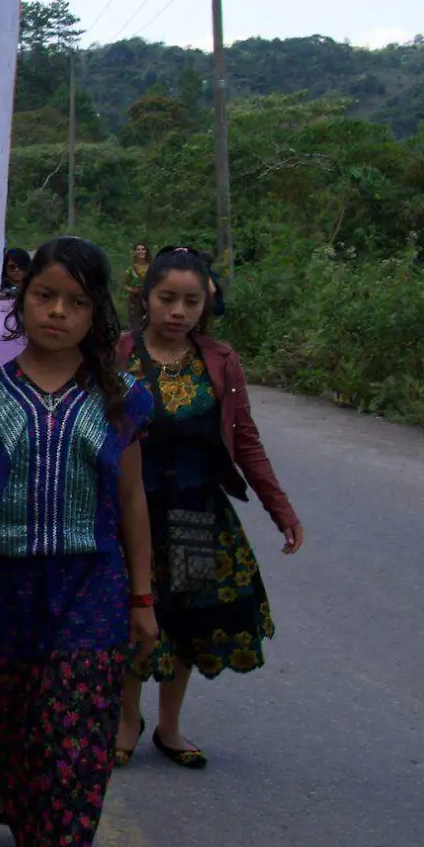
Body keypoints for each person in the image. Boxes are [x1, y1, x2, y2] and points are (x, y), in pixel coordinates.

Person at [0, 236, 160, 847]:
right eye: (44, 295)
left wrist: (142, 598)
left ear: (96, 314)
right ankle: (36, 827)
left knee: (76, 726)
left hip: (91, 584)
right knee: (21, 723)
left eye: (76, 301)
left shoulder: (121, 401)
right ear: (20, 300)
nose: (57, 312)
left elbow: (134, 502)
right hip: (3, 586)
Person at [114, 247, 304, 769]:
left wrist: (280, 508)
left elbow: (246, 441)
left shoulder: (219, 360)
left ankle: (170, 728)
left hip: (197, 513)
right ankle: (127, 719)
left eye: (190, 301)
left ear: (205, 306)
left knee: (190, 623)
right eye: (167, 298)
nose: (178, 311)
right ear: (145, 299)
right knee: (135, 615)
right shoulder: (119, 355)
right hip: (131, 515)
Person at [122, 243, 151, 329]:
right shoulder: (131, 269)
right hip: (135, 299)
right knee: (135, 323)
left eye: (143, 249)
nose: (141, 251)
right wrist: (133, 290)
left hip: (149, 297)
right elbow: (124, 285)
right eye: (138, 249)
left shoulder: (152, 267)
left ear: (146, 251)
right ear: (135, 252)